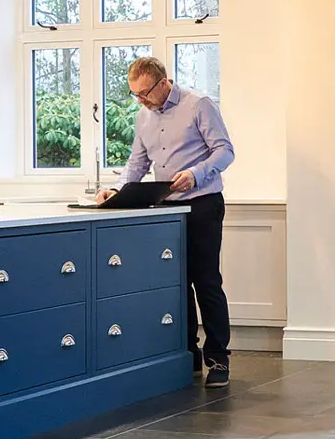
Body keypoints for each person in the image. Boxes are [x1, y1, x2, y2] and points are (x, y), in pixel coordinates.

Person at [96, 56, 236, 389]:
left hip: (202, 204)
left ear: (163, 83)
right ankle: (185, 355)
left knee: (206, 282)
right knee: (176, 285)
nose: (141, 100)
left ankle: (218, 359)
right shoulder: (143, 116)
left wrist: (196, 174)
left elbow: (225, 151)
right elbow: (138, 162)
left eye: (145, 93)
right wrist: (117, 190)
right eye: (135, 95)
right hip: (167, 210)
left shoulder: (198, 104)